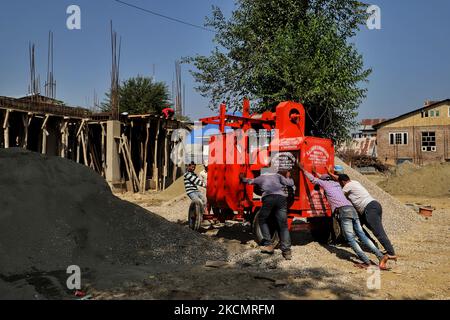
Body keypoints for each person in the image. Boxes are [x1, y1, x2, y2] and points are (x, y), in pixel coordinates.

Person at [298, 164, 389, 269]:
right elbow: (329, 178)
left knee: (350, 238)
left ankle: (366, 262)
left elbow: (313, 179)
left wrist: (303, 169)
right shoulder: (337, 184)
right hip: (352, 209)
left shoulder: (325, 183)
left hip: (344, 211)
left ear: (323, 181)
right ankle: (380, 256)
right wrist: (318, 172)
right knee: (361, 235)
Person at [327, 171, 397, 261]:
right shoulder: (354, 182)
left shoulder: (346, 187)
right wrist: (330, 173)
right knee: (357, 226)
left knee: (378, 231)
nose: (340, 185)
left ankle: (391, 253)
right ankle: (371, 244)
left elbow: (338, 195)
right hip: (373, 206)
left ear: (343, 182)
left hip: (369, 209)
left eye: (340, 183)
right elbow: (340, 178)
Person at [241, 170, 294, 260]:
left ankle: (268, 245)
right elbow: (290, 183)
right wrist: (288, 176)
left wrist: (242, 178)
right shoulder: (278, 176)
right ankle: (287, 251)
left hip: (269, 198)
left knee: (262, 219)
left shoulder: (262, 177)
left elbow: (250, 181)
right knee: (283, 225)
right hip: (281, 199)